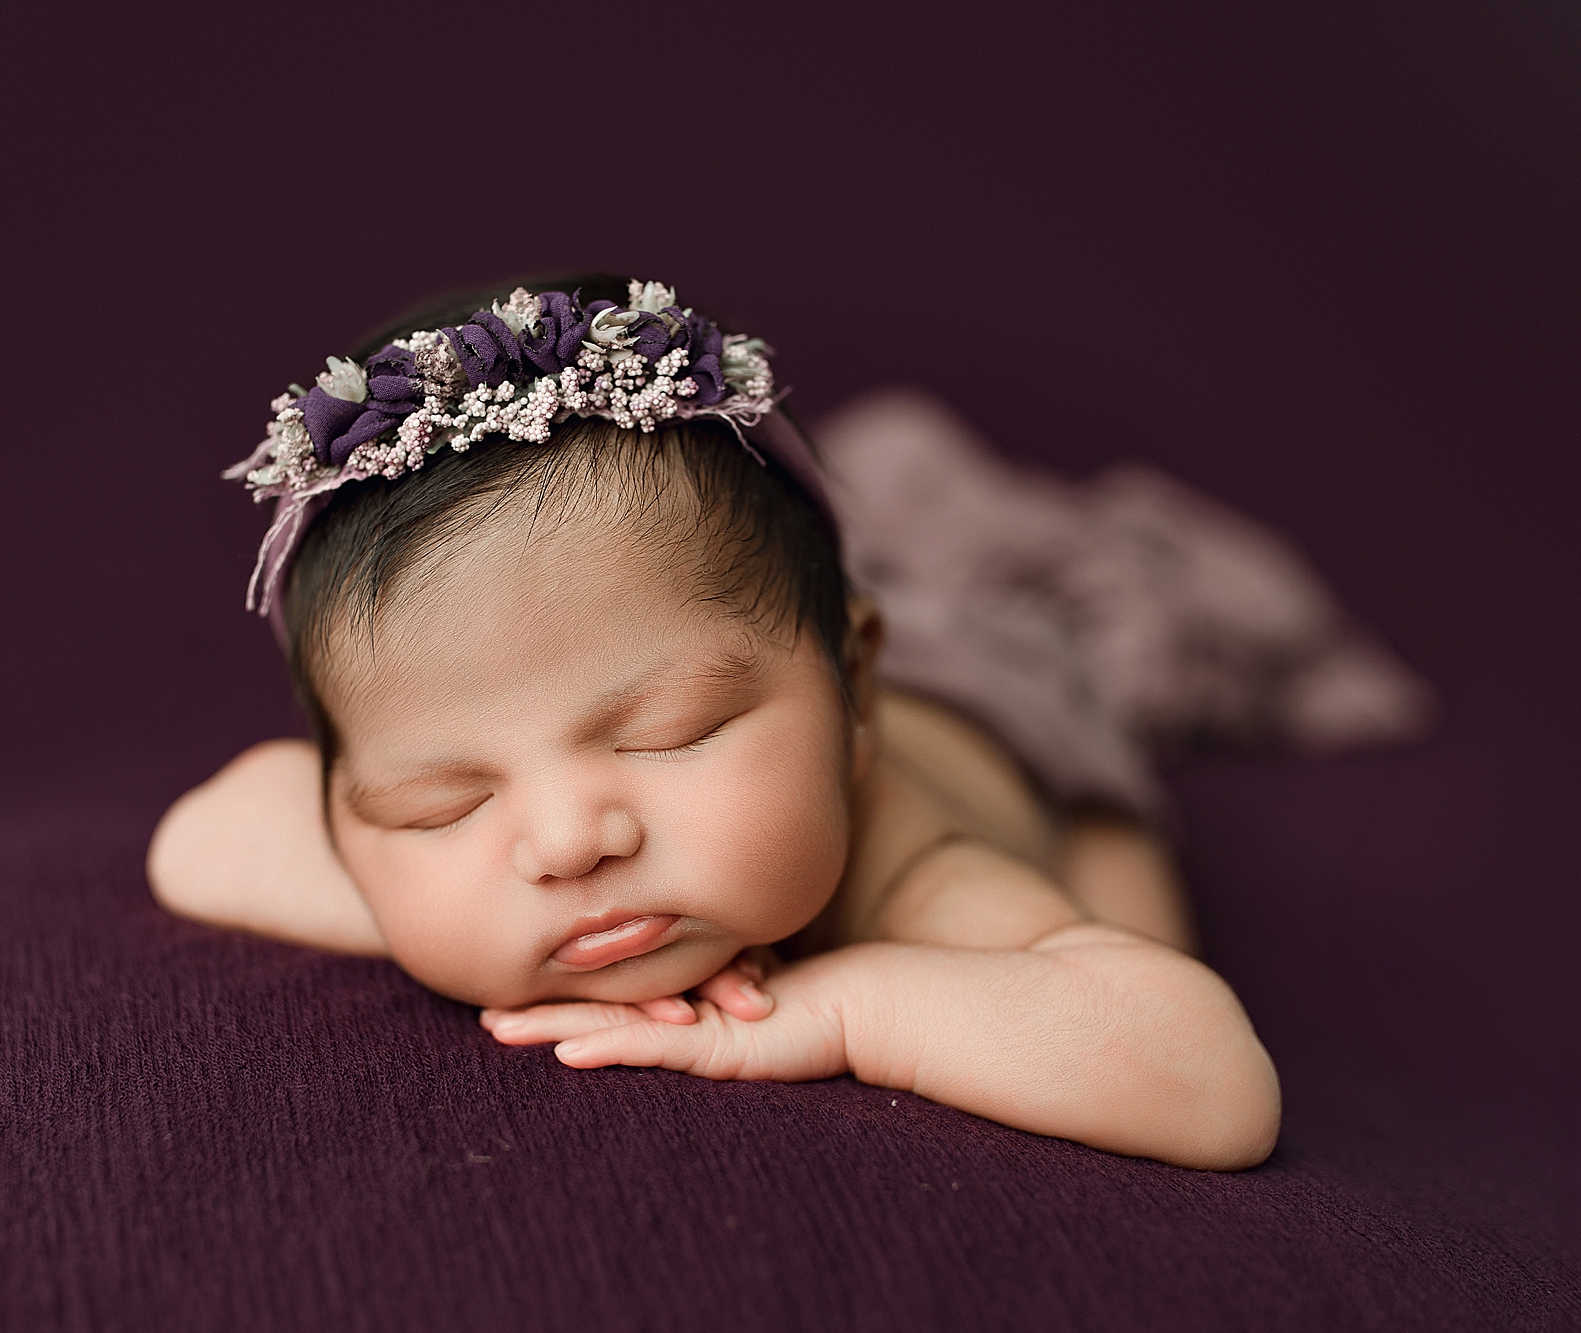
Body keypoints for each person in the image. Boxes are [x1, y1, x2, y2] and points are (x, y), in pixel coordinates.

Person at [147, 275, 1282, 1171]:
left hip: (1001, 714)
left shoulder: (919, 874)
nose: (566, 843)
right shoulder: (488, 819)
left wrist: (841, 1009)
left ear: (852, 692)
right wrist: (433, 911)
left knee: (1130, 901)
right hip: (775, 631)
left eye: (670, 733)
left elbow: (1209, 1084)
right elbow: (201, 837)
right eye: (442, 803)